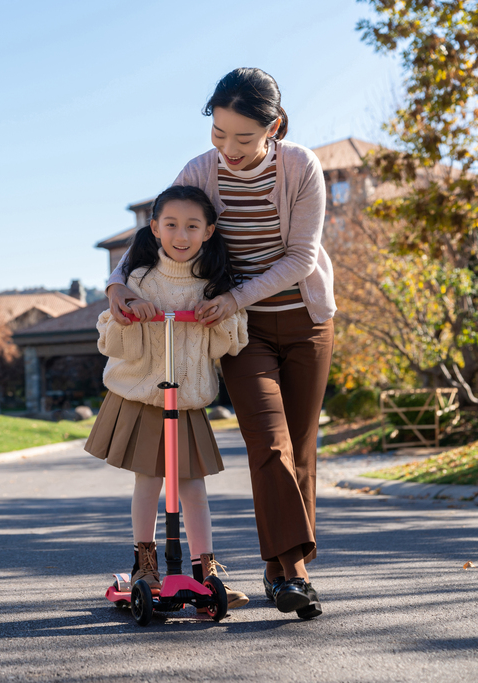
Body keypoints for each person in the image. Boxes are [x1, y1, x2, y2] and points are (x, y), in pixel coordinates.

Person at [105, 68, 335, 620]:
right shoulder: (201, 171)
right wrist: (117, 282)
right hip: (240, 330)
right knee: (269, 443)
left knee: (301, 452)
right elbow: (154, 233)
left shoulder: (302, 166)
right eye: (219, 134)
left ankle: (280, 570)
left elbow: (302, 258)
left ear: (273, 127)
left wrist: (235, 297)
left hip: (306, 322)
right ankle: (295, 578)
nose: (228, 149)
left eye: (243, 137)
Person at [87, 186, 249, 610]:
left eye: (193, 226)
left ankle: (205, 568)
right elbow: (116, 343)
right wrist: (129, 313)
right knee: (149, 480)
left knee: (193, 486)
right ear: (155, 228)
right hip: (145, 398)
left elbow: (224, 347)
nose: (182, 234)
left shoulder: (213, 283)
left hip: (189, 400)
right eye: (172, 224)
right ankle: (145, 564)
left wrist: (222, 315)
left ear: (209, 231)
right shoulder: (137, 280)